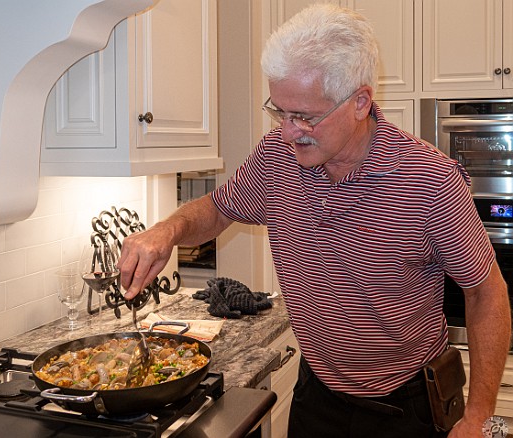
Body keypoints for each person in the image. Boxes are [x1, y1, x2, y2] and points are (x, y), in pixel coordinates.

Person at [117, 3, 511, 437]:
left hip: (408, 402)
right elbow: (217, 208)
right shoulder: (276, 158)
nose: (287, 131)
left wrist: (479, 417)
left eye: (304, 116)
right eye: (279, 111)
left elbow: (486, 292)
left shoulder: (427, 180)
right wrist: (165, 231)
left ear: (360, 101)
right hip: (317, 393)